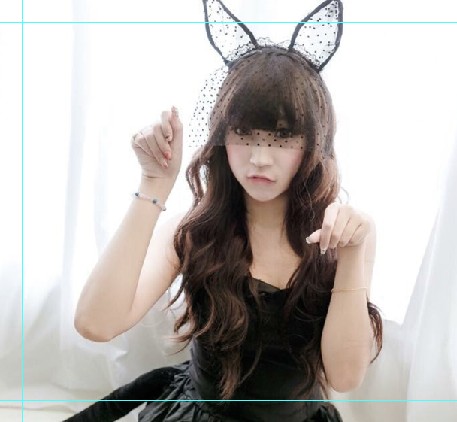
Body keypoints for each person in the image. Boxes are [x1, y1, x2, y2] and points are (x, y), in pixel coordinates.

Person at [67, 0, 383, 421]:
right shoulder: (193, 230)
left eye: (282, 137)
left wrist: (351, 255)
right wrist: (153, 186)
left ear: (312, 142)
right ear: (222, 137)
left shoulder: (345, 234)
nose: (259, 158)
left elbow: (344, 376)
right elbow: (95, 324)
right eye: (244, 133)